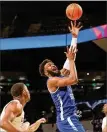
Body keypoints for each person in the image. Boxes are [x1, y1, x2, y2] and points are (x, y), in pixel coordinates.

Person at [39, 21, 85, 132]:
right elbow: (74, 80)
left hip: (72, 117)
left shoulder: (60, 74)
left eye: (52, 64)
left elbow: (71, 55)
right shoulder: (51, 81)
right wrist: (70, 60)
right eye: (49, 66)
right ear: (46, 73)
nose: (52, 65)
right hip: (66, 119)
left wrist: (74, 37)